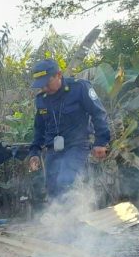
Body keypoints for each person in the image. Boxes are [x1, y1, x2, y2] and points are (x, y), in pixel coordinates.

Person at [28, 58, 111, 199]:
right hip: (53, 149)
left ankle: (74, 216)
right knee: (52, 187)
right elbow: (39, 128)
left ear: (59, 75)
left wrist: (101, 142)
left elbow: (98, 113)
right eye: (41, 86)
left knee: (65, 181)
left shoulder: (80, 88)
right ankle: (59, 218)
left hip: (77, 145)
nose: (44, 89)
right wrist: (34, 152)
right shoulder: (41, 99)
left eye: (47, 83)